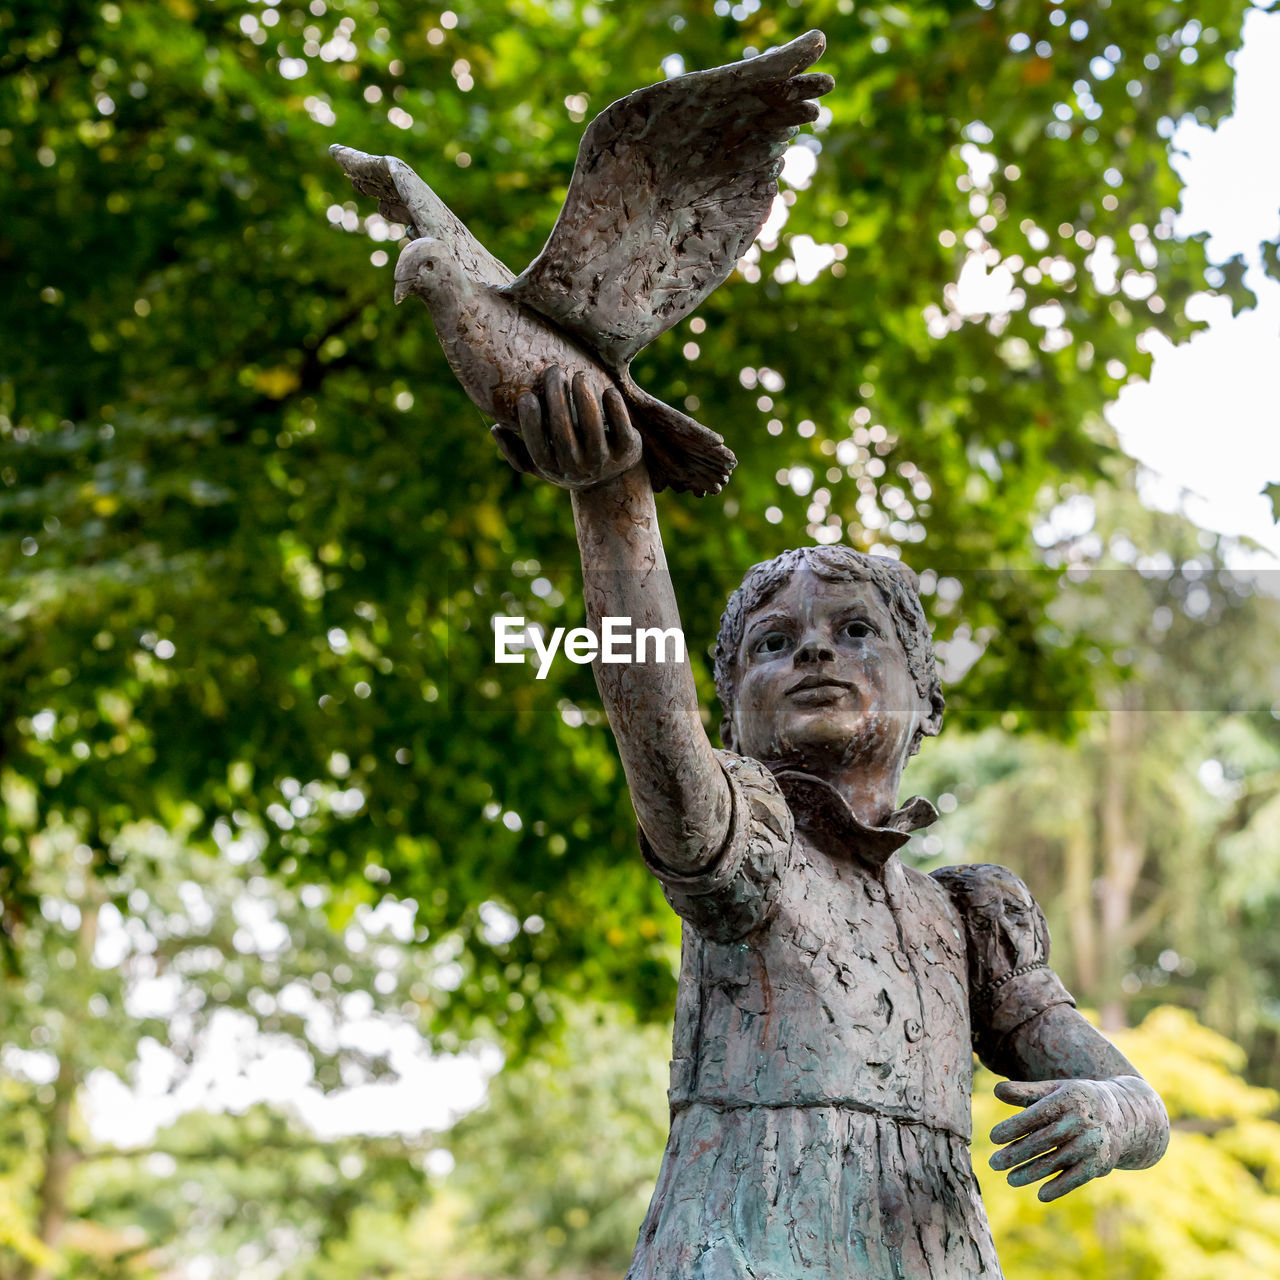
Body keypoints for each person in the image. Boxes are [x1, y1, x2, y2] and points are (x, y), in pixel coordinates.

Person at [492, 367, 1169, 1279]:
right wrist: (613, 499)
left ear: (925, 698)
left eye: (857, 632)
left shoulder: (969, 918)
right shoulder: (749, 843)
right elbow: (653, 721)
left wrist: (1109, 1117)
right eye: (773, 643)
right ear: (731, 709)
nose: (813, 647)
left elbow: (1141, 1100)